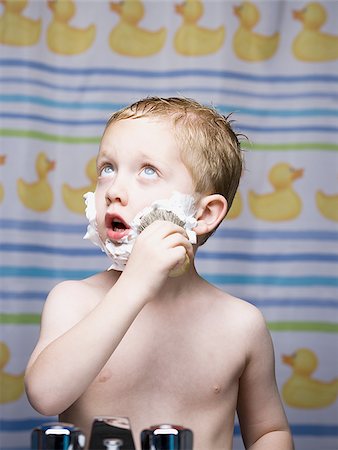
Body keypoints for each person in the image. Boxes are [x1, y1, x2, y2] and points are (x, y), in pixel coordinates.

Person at [25, 97, 294, 450]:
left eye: (147, 171)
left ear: (204, 213)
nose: (114, 192)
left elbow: (268, 431)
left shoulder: (241, 324)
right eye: (107, 168)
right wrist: (134, 284)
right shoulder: (73, 301)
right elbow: (45, 396)